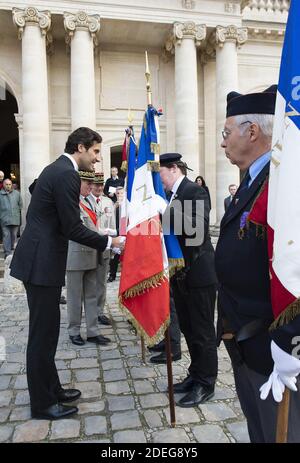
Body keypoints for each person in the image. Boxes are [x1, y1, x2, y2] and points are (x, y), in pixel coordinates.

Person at [10, 127, 124, 421]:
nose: (98, 160)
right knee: (42, 336)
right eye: (96, 152)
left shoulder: (60, 169)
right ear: (81, 147)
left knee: (47, 333)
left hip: (41, 260)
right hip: (40, 263)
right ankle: (42, 404)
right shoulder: (66, 173)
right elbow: (72, 227)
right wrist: (110, 241)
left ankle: (53, 390)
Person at [215, 86, 300, 442]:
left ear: (251, 131)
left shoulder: (284, 182)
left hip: (274, 348)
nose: (222, 143)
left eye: (226, 133)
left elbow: (294, 267)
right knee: (259, 431)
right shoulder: (252, 180)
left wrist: (288, 345)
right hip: (245, 341)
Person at [159, 153, 218, 407]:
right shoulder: (172, 195)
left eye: (159, 172)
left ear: (173, 169)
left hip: (199, 273)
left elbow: (198, 229)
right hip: (181, 275)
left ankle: (206, 383)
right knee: (189, 329)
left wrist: (165, 213)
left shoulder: (195, 191)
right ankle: (195, 375)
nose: (156, 178)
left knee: (203, 332)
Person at [66, 171, 111, 346]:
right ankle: (74, 331)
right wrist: (106, 239)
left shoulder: (88, 201)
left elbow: (95, 225)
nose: (91, 187)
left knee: (92, 295)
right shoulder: (70, 201)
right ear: (78, 183)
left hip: (92, 254)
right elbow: (80, 229)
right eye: (87, 184)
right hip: (76, 256)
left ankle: (93, 331)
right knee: (75, 297)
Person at [88, 172, 115, 326]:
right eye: (96, 184)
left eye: (101, 185)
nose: (99, 187)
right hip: (90, 246)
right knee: (89, 282)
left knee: (101, 282)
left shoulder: (108, 202)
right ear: (91, 185)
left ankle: (99, 311)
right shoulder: (85, 201)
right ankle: (90, 311)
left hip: (105, 245)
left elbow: (112, 225)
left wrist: (112, 245)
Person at [0, 178, 22, 258]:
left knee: (14, 235)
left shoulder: (17, 193)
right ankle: (7, 253)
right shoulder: (0, 194)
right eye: (7, 184)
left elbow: (20, 205)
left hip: (15, 219)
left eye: (10, 184)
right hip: (4, 219)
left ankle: (13, 250)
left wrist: (15, 212)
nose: (8, 186)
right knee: (6, 236)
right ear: (3, 185)